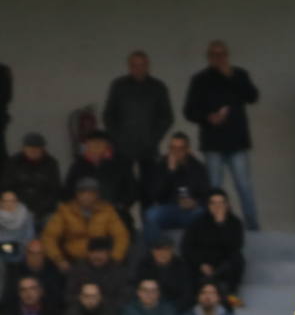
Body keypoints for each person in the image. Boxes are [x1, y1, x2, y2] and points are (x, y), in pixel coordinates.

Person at [182, 40, 260, 230]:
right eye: (214, 55)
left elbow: (253, 96)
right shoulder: (200, 79)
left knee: (244, 187)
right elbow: (189, 111)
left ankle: (253, 227)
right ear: (208, 58)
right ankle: (211, 226)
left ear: (228, 56)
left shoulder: (239, 74)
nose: (219, 59)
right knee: (213, 189)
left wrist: (231, 76)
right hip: (213, 143)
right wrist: (208, 118)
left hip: (237, 142)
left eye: (222, 54)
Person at [102, 50, 173, 195]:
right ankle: (122, 217)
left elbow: (167, 117)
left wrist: (153, 138)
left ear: (148, 66)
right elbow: (109, 115)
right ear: (129, 66)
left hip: (149, 147)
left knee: (150, 190)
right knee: (122, 190)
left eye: (142, 65)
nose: (138, 69)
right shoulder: (119, 86)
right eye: (135, 65)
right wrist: (118, 138)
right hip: (123, 148)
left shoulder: (158, 87)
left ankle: (148, 217)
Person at [44, 177, 130, 274]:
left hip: (101, 261)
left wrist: (114, 258)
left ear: (97, 195)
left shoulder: (107, 211)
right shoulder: (65, 211)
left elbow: (121, 235)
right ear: (76, 194)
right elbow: (49, 237)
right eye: (82, 192)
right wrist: (59, 259)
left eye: (91, 193)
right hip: (72, 261)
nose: (86, 196)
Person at [141, 131, 210, 245]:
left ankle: (199, 256)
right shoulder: (161, 165)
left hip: (191, 211)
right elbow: (155, 195)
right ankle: (156, 255)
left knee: (203, 214)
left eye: (180, 148)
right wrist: (170, 172)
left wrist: (195, 203)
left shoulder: (198, 167)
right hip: (169, 209)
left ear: (187, 150)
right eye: (172, 148)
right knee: (151, 214)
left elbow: (207, 195)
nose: (176, 152)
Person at [181, 190, 245, 300]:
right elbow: (186, 246)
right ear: (208, 205)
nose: (217, 206)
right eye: (213, 203)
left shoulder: (235, 223)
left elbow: (235, 247)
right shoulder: (197, 222)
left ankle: (230, 293)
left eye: (221, 203)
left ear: (227, 205)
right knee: (185, 265)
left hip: (222, 264)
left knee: (238, 259)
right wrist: (201, 264)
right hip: (201, 264)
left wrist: (221, 225)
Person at [1, 132, 62, 224]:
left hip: (44, 210)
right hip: (17, 208)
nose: (33, 152)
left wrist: (41, 208)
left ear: (43, 149)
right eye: (30, 148)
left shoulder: (51, 164)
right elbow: (6, 188)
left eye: (36, 149)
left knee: (52, 221)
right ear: (23, 148)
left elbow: (55, 190)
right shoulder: (13, 163)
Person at [0, 188, 35, 262]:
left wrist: (23, 245)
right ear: (1, 202)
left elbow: (30, 235)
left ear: (17, 201)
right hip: (3, 247)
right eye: (6, 201)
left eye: (12, 201)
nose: (9, 203)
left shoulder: (25, 214)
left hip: (22, 247)